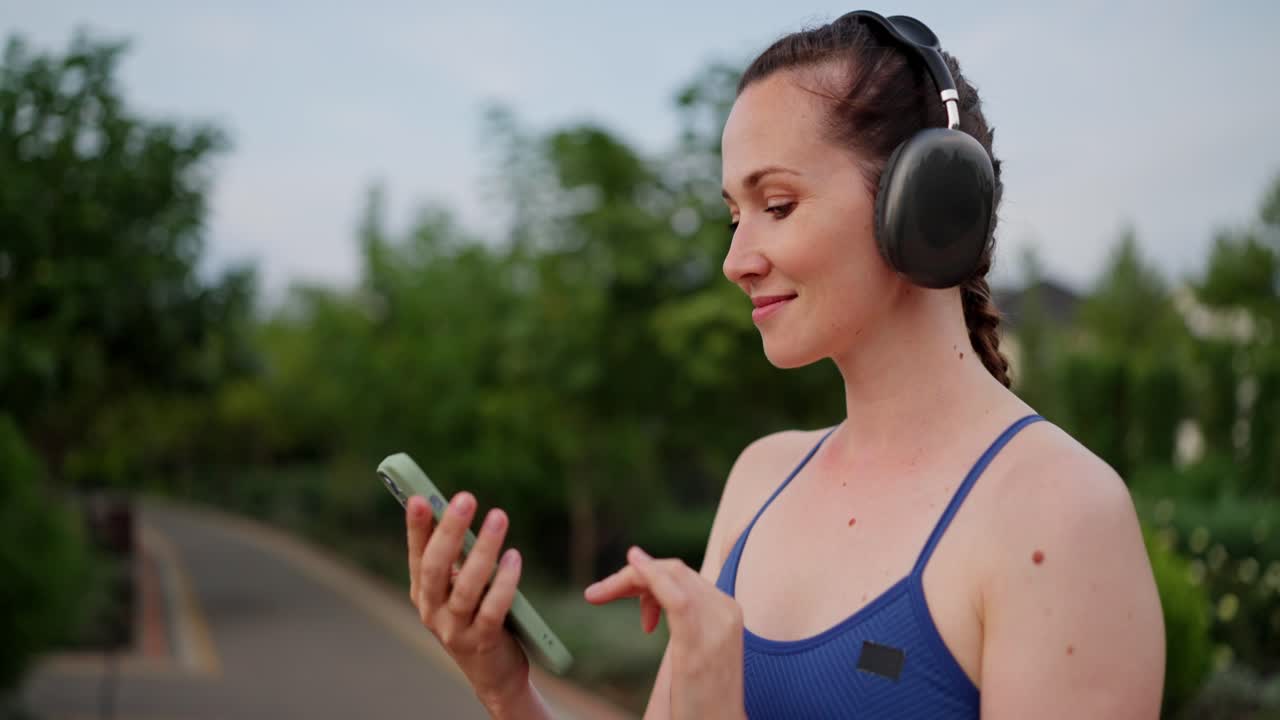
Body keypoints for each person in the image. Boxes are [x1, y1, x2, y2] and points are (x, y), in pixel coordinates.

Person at [404, 10, 1165, 719]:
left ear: (922, 205)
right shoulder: (761, 479)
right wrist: (507, 690)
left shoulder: (1060, 517)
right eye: (734, 215)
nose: (735, 260)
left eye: (777, 204)